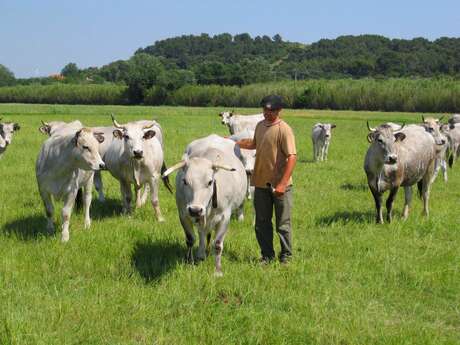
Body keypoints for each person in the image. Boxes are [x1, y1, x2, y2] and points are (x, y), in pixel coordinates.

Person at [236, 95, 297, 264]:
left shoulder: (284, 129)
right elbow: (254, 144)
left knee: (282, 224)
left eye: (271, 110)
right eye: (265, 109)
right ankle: (267, 256)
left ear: (279, 111)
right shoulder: (260, 126)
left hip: (280, 185)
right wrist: (232, 142)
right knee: (262, 223)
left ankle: (286, 257)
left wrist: (283, 184)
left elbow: (292, 157)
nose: (267, 113)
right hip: (260, 183)